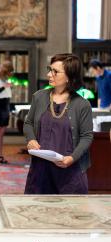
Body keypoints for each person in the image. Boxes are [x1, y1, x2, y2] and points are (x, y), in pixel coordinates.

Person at [24, 53, 93, 194]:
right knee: (35, 212)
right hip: (40, 170)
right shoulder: (39, 97)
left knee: (69, 214)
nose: (49, 74)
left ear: (69, 76)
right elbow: (28, 122)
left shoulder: (82, 104)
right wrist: (31, 139)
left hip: (69, 170)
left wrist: (72, 158)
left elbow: (87, 136)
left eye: (55, 71)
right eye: (50, 69)